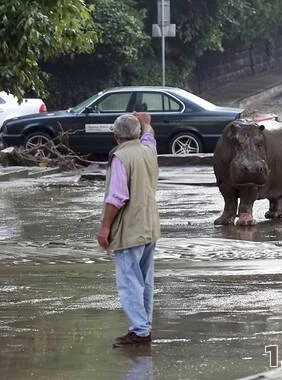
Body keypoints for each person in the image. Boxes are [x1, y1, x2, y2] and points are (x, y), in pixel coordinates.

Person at [97, 112, 160, 348]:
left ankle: (140, 331)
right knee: (144, 280)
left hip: (130, 230)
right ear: (137, 134)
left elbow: (116, 198)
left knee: (129, 281)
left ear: (116, 136)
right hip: (150, 226)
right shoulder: (148, 150)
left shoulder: (121, 157)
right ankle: (143, 326)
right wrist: (146, 124)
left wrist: (105, 228)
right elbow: (149, 137)